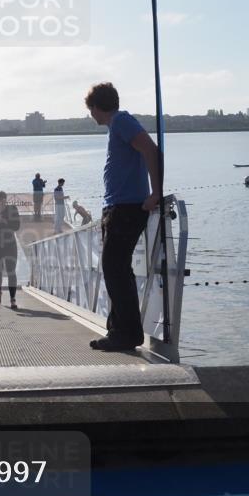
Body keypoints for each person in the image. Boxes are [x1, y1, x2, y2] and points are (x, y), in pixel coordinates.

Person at [84, 83, 161, 351]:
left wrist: (156, 193)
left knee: (114, 268)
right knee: (117, 269)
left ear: (96, 107)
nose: (90, 115)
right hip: (118, 206)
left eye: (90, 109)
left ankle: (126, 334)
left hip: (127, 208)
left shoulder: (121, 121)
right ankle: (119, 330)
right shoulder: (117, 125)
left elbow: (151, 150)